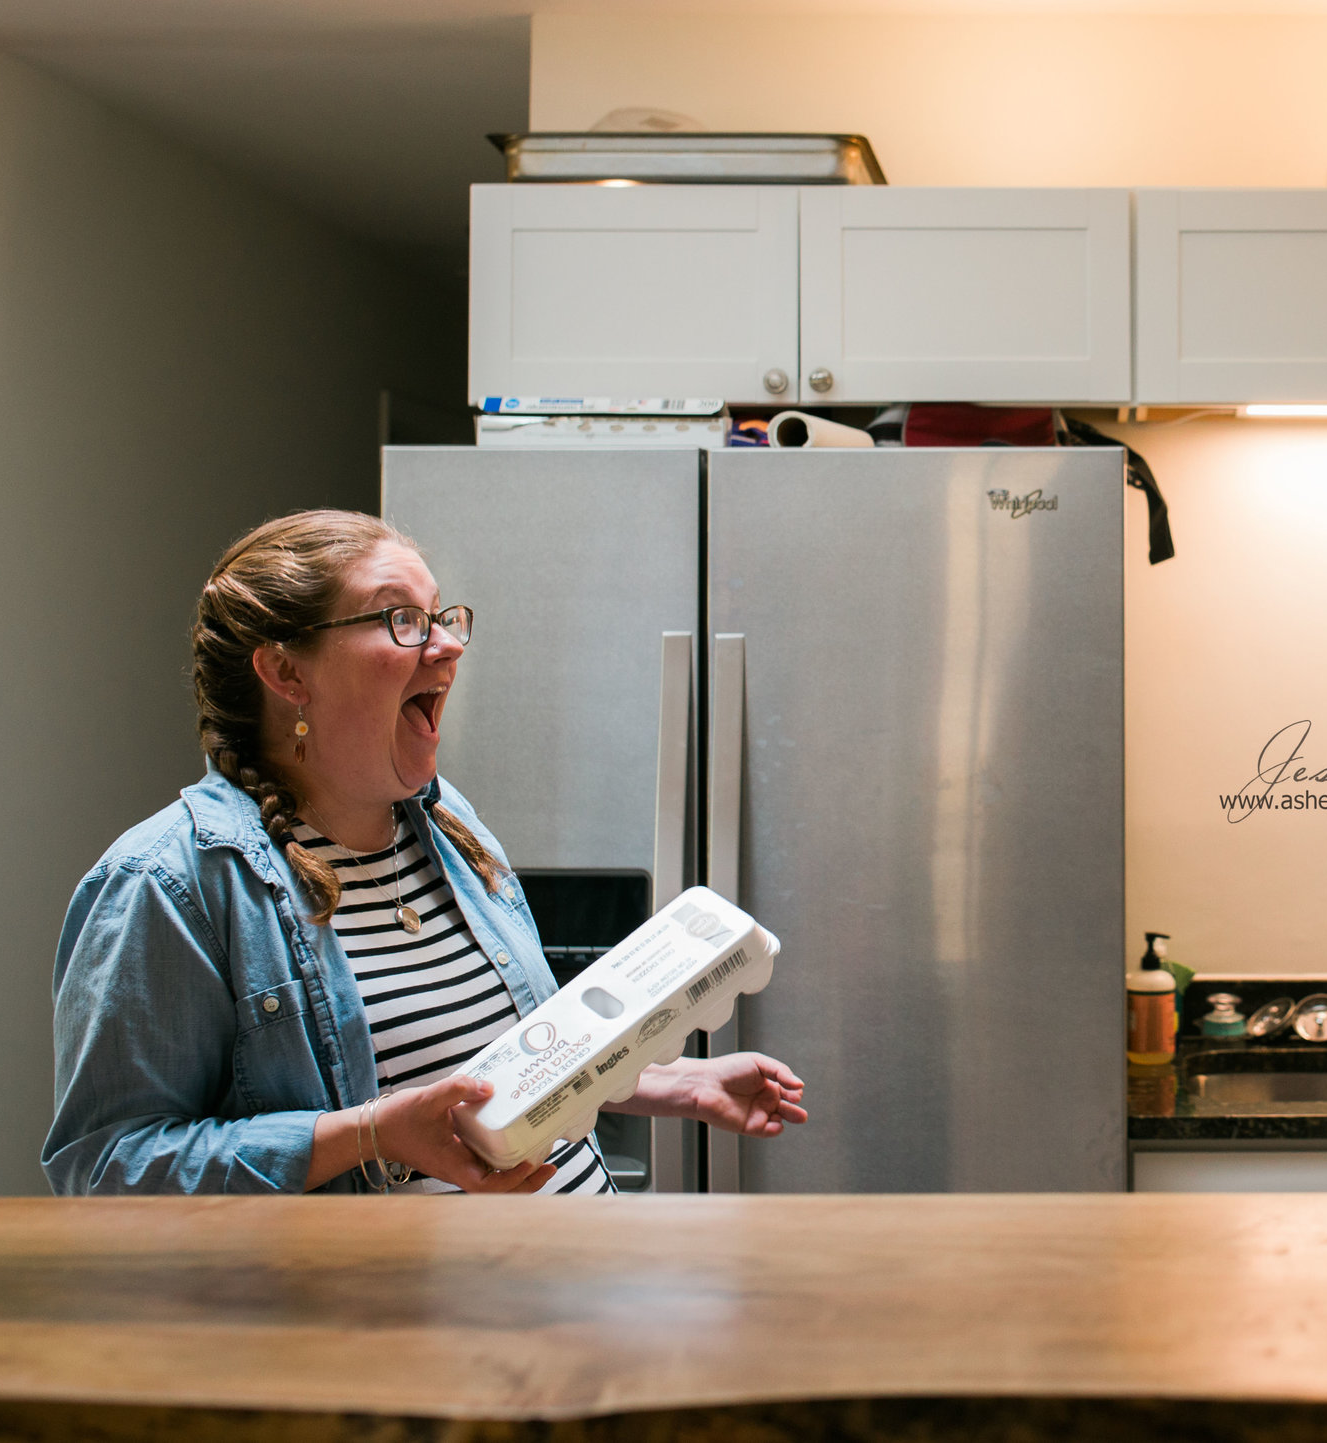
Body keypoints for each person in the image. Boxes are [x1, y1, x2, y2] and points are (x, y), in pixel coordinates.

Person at [46, 510, 807, 1194]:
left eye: (441, 616)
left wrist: (672, 1080)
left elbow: (484, 1074)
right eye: (401, 620)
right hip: (397, 1327)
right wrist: (367, 1134)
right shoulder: (170, 882)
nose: (445, 644)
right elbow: (106, 1166)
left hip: (568, 1290)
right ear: (285, 672)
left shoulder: (444, 822)